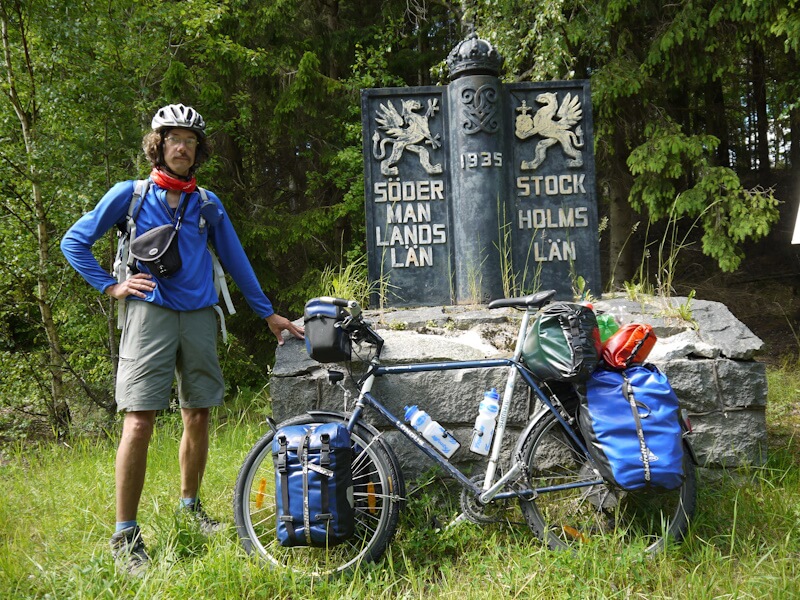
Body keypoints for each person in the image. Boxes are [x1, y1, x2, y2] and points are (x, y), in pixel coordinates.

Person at [61, 103, 304, 574]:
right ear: (158, 145)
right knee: (139, 422)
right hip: (148, 315)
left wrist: (267, 314)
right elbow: (74, 241)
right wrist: (111, 286)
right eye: (174, 138)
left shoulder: (207, 203)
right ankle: (125, 535)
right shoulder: (129, 195)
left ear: (198, 150)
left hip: (197, 317)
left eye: (191, 141)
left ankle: (190, 508)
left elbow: (236, 261)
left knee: (198, 415)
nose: (183, 147)